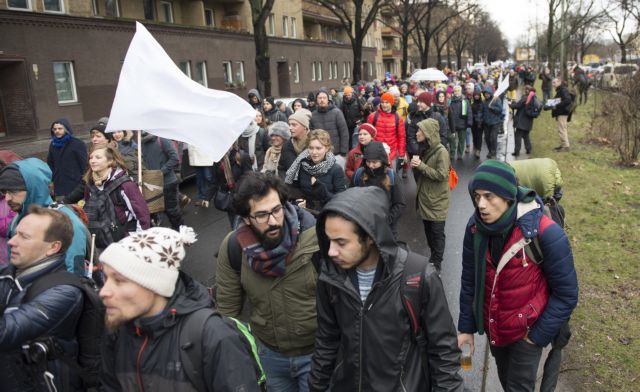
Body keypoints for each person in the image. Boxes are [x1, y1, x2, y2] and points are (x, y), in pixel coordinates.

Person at [308, 186, 463, 391]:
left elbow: (444, 353)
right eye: (329, 240)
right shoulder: (330, 277)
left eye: (341, 242)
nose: (331, 251)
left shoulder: (418, 276)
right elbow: (327, 341)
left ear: (370, 237)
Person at [458, 160, 578, 392]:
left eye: (489, 196)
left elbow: (567, 294)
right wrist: (466, 328)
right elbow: (469, 279)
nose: (481, 204)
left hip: (527, 334)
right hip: (496, 328)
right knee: (507, 382)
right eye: (476, 196)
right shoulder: (475, 228)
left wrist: (537, 336)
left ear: (508, 197)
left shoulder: (545, 233)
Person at [99, 226, 261, 391]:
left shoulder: (212, 336)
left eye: (119, 280)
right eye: (105, 278)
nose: (103, 291)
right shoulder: (118, 331)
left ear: (154, 284)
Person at [216, 172, 319, 391]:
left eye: (276, 210)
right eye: (261, 215)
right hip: (270, 357)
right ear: (246, 218)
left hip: (317, 355)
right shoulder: (234, 247)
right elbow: (228, 313)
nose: (273, 221)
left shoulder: (316, 236)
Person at [0, 206, 86, 391]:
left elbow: (6, 332)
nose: (11, 242)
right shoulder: (7, 276)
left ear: (53, 247)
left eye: (24, 237)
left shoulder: (65, 292)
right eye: (15, 234)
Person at [0, 158, 89, 276]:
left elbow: (73, 275)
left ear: (34, 187)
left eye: (13, 191)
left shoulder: (66, 222)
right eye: (4, 192)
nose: (7, 198)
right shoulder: (18, 218)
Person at [83, 145, 150, 249]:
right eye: (91, 158)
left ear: (110, 161)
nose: (92, 160)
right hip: (99, 240)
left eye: (98, 157)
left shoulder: (125, 184)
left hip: (126, 239)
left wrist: (138, 241)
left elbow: (142, 214)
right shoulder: (89, 185)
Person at [411, 119, 451, 272]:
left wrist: (421, 166)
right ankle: (433, 258)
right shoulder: (424, 148)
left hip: (437, 200)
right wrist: (416, 166)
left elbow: (442, 175)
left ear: (427, 133)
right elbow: (421, 173)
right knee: (428, 232)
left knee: (437, 233)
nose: (416, 133)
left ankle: (437, 264)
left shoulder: (442, 152)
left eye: (419, 130)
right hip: (426, 198)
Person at [351, 141, 405, 237]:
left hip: (387, 228)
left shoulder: (392, 176)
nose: (371, 165)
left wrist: (386, 221)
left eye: (375, 162)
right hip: (363, 226)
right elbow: (351, 198)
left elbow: (399, 203)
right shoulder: (358, 174)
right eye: (368, 161)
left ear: (382, 160)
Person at [284, 129, 347, 211]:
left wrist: (323, 192)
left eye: (318, 148)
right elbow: (295, 188)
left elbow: (341, 199)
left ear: (327, 148)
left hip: (327, 212)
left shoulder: (336, 169)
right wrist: (299, 200)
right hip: (306, 212)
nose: (314, 152)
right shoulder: (302, 165)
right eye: (311, 148)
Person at [140, 132, 183, 230]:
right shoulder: (140, 143)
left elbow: (174, 158)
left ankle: (180, 233)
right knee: (156, 211)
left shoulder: (162, 139)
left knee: (172, 211)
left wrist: (161, 172)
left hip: (167, 182)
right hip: (152, 185)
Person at [213, 143, 253, 228]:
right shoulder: (218, 159)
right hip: (230, 199)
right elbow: (217, 179)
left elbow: (249, 178)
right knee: (235, 226)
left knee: (247, 225)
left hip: (242, 197)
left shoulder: (242, 156)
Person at [47, 118, 88, 199]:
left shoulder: (77, 144)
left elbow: (84, 165)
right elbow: (50, 163)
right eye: (55, 129)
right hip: (59, 183)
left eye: (60, 128)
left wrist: (84, 182)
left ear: (66, 129)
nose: (57, 131)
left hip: (75, 184)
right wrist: (52, 179)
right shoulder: (53, 144)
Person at [367, 92, 406, 169]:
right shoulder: (373, 116)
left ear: (391, 103)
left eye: (387, 102)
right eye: (382, 102)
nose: (384, 105)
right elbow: (368, 135)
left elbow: (401, 137)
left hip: (392, 154)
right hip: (376, 153)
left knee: (391, 178)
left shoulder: (398, 117)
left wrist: (401, 155)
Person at [406, 92, 449, 162]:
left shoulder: (437, 117)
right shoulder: (415, 116)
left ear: (427, 102)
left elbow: (443, 136)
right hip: (419, 156)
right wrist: (418, 151)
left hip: (435, 156)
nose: (418, 104)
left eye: (421, 102)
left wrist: (435, 152)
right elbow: (411, 136)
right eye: (417, 101)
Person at [310, 91, 350, 160]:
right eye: (319, 98)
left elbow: (344, 132)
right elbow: (311, 134)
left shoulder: (337, 112)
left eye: (324, 98)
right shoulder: (313, 115)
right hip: (320, 154)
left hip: (336, 153)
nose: (322, 100)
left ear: (328, 99)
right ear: (316, 100)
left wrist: (343, 151)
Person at [280, 108, 313, 176]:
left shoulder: (315, 144)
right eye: (289, 124)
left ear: (305, 127)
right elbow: (281, 168)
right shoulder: (286, 146)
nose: (290, 128)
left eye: (294, 125)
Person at [509, 86, 539, 156]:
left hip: (521, 121)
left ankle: (517, 151)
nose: (525, 90)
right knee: (526, 136)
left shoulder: (525, 98)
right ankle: (528, 149)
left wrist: (511, 105)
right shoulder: (534, 98)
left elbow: (517, 105)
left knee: (518, 136)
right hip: (528, 121)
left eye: (526, 89)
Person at [448, 85, 473, 161]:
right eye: (455, 91)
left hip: (462, 123)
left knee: (461, 140)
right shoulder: (450, 101)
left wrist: (469, 122)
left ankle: (460, 154)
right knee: (452, 140)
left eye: (458, 90)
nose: (456, 92)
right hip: (452, 124)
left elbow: (469, 112)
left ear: (461, 91)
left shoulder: (465, 101)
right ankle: (452, 154)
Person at [188, 143, 215, 208]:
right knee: (200, 179)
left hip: (205, 155)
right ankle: (202, 198)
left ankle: (213, 194)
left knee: (208, 177)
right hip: (195, 156)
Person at [481, 85, 504, 159]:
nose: (486, 95)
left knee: (493, 138)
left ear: (490, 93)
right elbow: (482, 111)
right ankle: (490, 151)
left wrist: (492, 108)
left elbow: (500, 110)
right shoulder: (484, 101)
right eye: (485, 94)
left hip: (495, 122)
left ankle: (493, 151)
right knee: (487, 138)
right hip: (486, 123)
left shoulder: (496, 100)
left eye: (487, 94)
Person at [549, 78, 572, 152]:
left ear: (559, 82)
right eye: (552, 83)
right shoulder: (561, 89)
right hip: (561, 112)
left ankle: (565, 146)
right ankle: (563, 144)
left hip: (563, 112)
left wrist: (557, 105)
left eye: (554, 82)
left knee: (562, 129)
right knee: (562, 128)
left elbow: (568, 100)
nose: (553, 84)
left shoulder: (563, 89)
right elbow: (559, 99)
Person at [470, 86, 484, 159]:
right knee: (474, 136)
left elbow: (482, 113)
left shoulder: (482, 103)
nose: (476, 96)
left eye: (477, 95)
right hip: (473, 123)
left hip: (480, 123)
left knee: (479, 136)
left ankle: (478, 150)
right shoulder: (472, 103)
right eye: (475, 95)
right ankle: (475, 147)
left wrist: (479, 120)